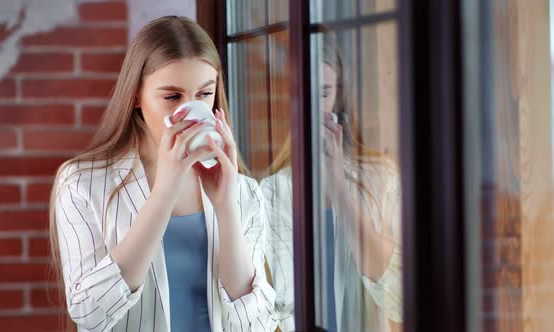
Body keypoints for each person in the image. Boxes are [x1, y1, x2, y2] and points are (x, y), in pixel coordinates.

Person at [48, 16, 276, 332]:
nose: (191, 110)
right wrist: (164, 192)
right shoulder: (82, 184)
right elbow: (89, 314)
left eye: (204, 94)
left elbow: (258, 324)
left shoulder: (243, 190)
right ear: (135, 96)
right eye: (172, 97)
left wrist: (226, 208)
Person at [260, 34, 403, 332]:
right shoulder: (273, 191)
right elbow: (274, 307)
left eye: (323, 94)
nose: (314, 108)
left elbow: (398, 299)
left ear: (338, 96)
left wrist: (338, 183)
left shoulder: (382, 178)